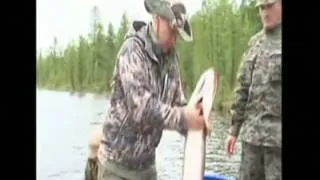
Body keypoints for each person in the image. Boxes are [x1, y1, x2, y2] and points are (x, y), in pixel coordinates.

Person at [97, 0, 207, 180]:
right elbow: (142, 109)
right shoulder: (132, 51)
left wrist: (197, 118)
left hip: (147, 167)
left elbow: (177, 102)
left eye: (177, 34)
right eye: (172, 31)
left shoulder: (171, 59)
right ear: (157, 19)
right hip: (116, 168)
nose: (174, 38)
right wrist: (185, 118)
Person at [225, 0, 282, 180]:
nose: (265, 12)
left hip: (277, 144)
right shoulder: (254, 43)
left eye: (269, 6)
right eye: (261, 8)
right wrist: (234, 131)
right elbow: (242, 88)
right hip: (251, 140)